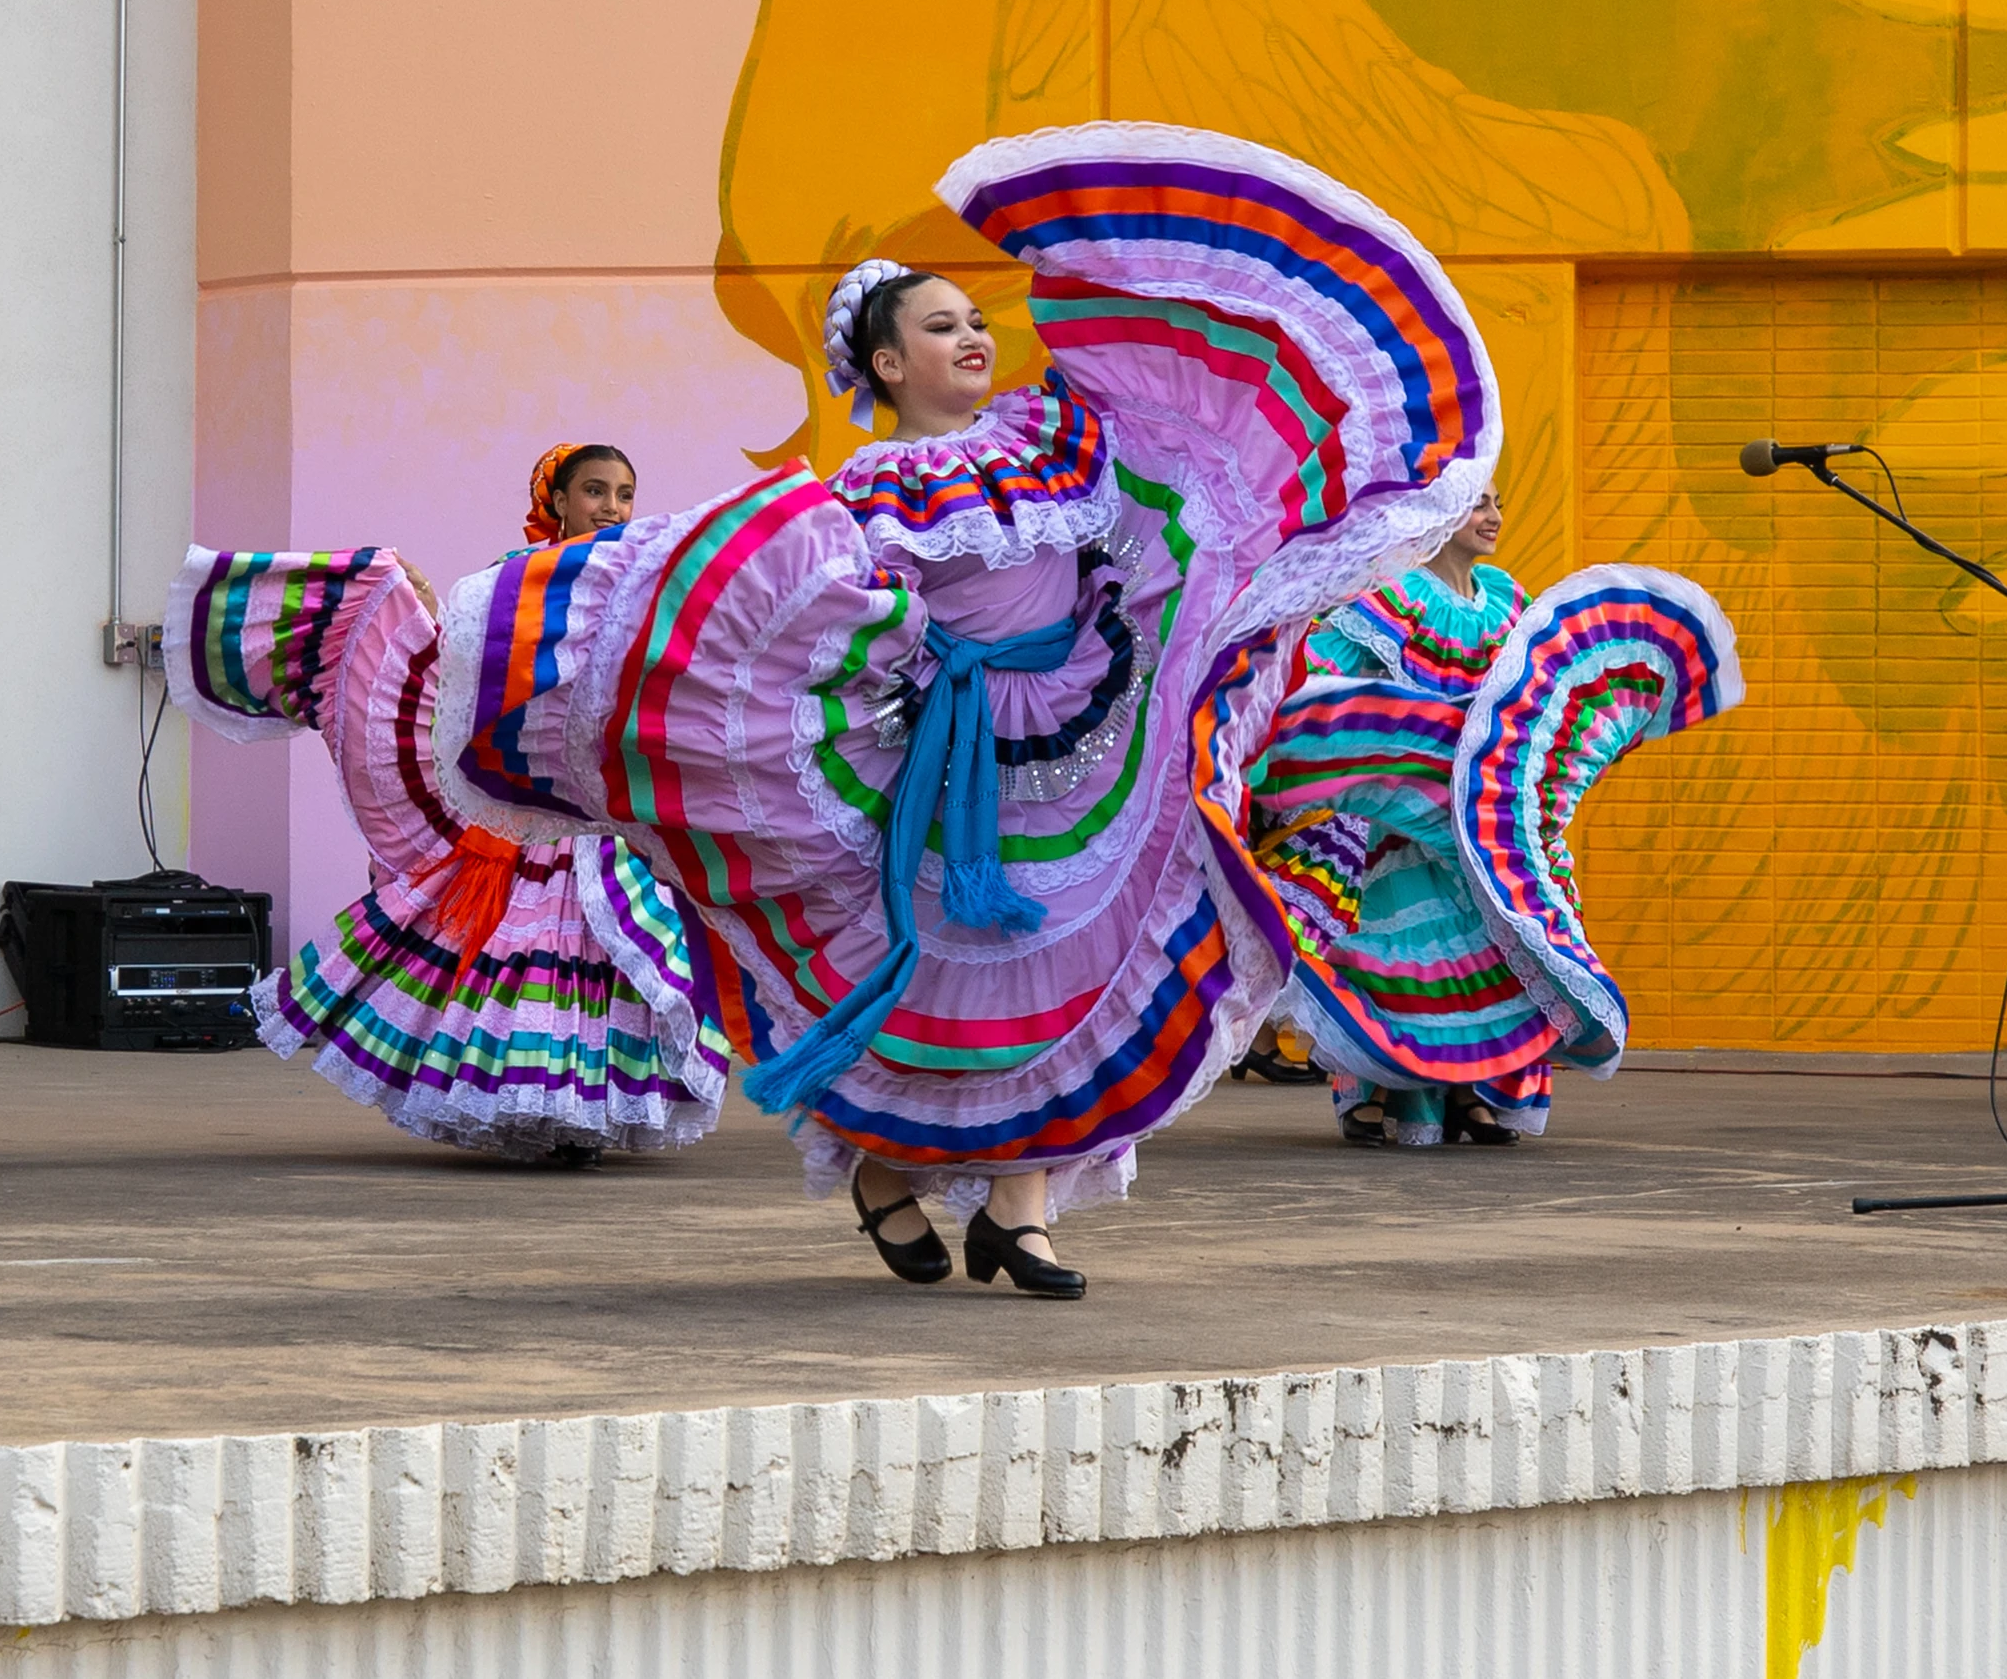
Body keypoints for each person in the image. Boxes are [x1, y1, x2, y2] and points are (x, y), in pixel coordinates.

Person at [169, 123, 1497, 1298]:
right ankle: (878, 1173)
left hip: (1081, 738)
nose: (972, 334)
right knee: (926, 972)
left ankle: (1022, 1212)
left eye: (977, 317)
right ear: (882, 357)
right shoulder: (872, 485)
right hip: (939, 758)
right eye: (936, 323)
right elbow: (798, 588)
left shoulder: (1065, 436)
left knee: (1076, 966)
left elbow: (1180, 478)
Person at [168, 442, 731, 1167]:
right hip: (530, 807)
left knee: (609, 954)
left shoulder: (641, 587)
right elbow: (470, 671)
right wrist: (427, 615)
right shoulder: (514, 581)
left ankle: (574, 1114)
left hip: (605, 813)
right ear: (557, 500)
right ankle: (537, 1112)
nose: (613, 507)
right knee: (535, 953)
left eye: (624, 493)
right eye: (595, 490)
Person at [1252, 485, 1743, 1146]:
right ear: (1439, 513)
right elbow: (1330, 689)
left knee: (1493, 951)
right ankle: (1395, 1092)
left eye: (1498, 503)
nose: (1494, 518)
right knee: (1413, 961)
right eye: (1478, 504)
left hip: (1490, 815)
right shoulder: (1390, 599)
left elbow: (1536, 700)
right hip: (1408, 810)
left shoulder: (1510, 599)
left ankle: (1474, 1089)